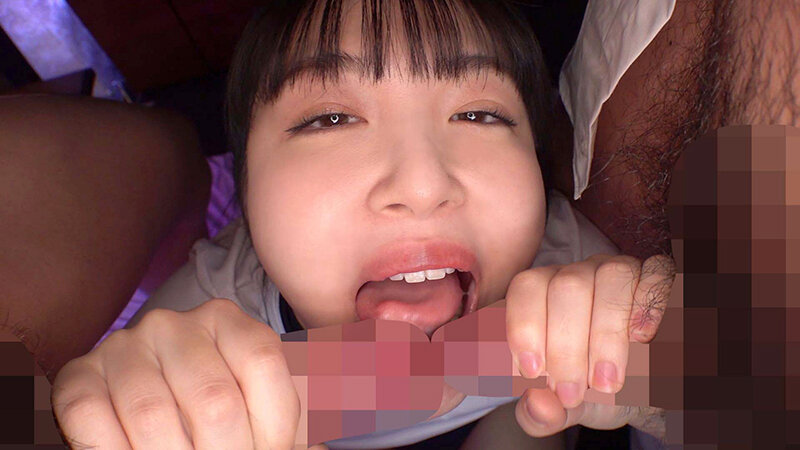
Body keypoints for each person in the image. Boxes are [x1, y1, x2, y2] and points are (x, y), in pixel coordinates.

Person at [50, 0, 674, 448]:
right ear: (246, 199)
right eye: (330, 119)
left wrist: (667, 379)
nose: (422, 185)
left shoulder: (571, 261)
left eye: (479, 114)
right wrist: (147, 407)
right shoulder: (213, 303)